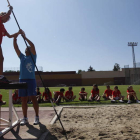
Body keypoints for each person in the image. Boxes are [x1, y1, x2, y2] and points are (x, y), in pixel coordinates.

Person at [13, 29, 39, 125]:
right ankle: (25, 118)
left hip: (31, 80)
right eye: (26, 48)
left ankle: (36, 117)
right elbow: (16, 48)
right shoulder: (22, 57)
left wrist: (25, 37)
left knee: (33, 98)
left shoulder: (33, 57)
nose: (27, 49)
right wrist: (15, 37)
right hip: (22, 80)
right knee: (23, 99)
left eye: (28, 48)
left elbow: (32, 46)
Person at [0, 6, 19, 83]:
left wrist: (18, 33)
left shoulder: (3, 27)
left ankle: (1, 77)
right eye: (7, 18)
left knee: (1, 59)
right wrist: (10, 9)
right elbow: (8, 14)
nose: (7, 20)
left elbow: (10, 36)